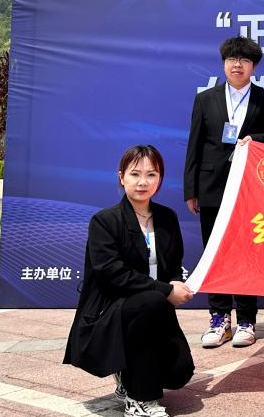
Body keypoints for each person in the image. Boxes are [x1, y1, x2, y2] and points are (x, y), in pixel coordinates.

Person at [64, 145, 194, 417]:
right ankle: (139, 399)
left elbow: (173, 265)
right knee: (150, 301)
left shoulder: (167, 218)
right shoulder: (104, 221)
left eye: (151, 174)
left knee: (179, 371)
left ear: (160, 179)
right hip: (112, 310)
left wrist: (176, 284)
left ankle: (127, 374)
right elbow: (112, 273)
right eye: (135, 174)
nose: (143, 182)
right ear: (121, 177)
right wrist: (165, 290)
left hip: (155, 307)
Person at [183, 36, 264, 349]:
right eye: (231, 59)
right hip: (211, 186)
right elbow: (194, 144)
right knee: (215, 253)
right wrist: (191, 189)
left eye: (244, 60)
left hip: (250, 188)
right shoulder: (206, 99)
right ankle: (219, 319)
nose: (236, 65)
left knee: (247, 253)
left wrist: (256, 138)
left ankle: (247, 320)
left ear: (254, 66)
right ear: (224, 63)